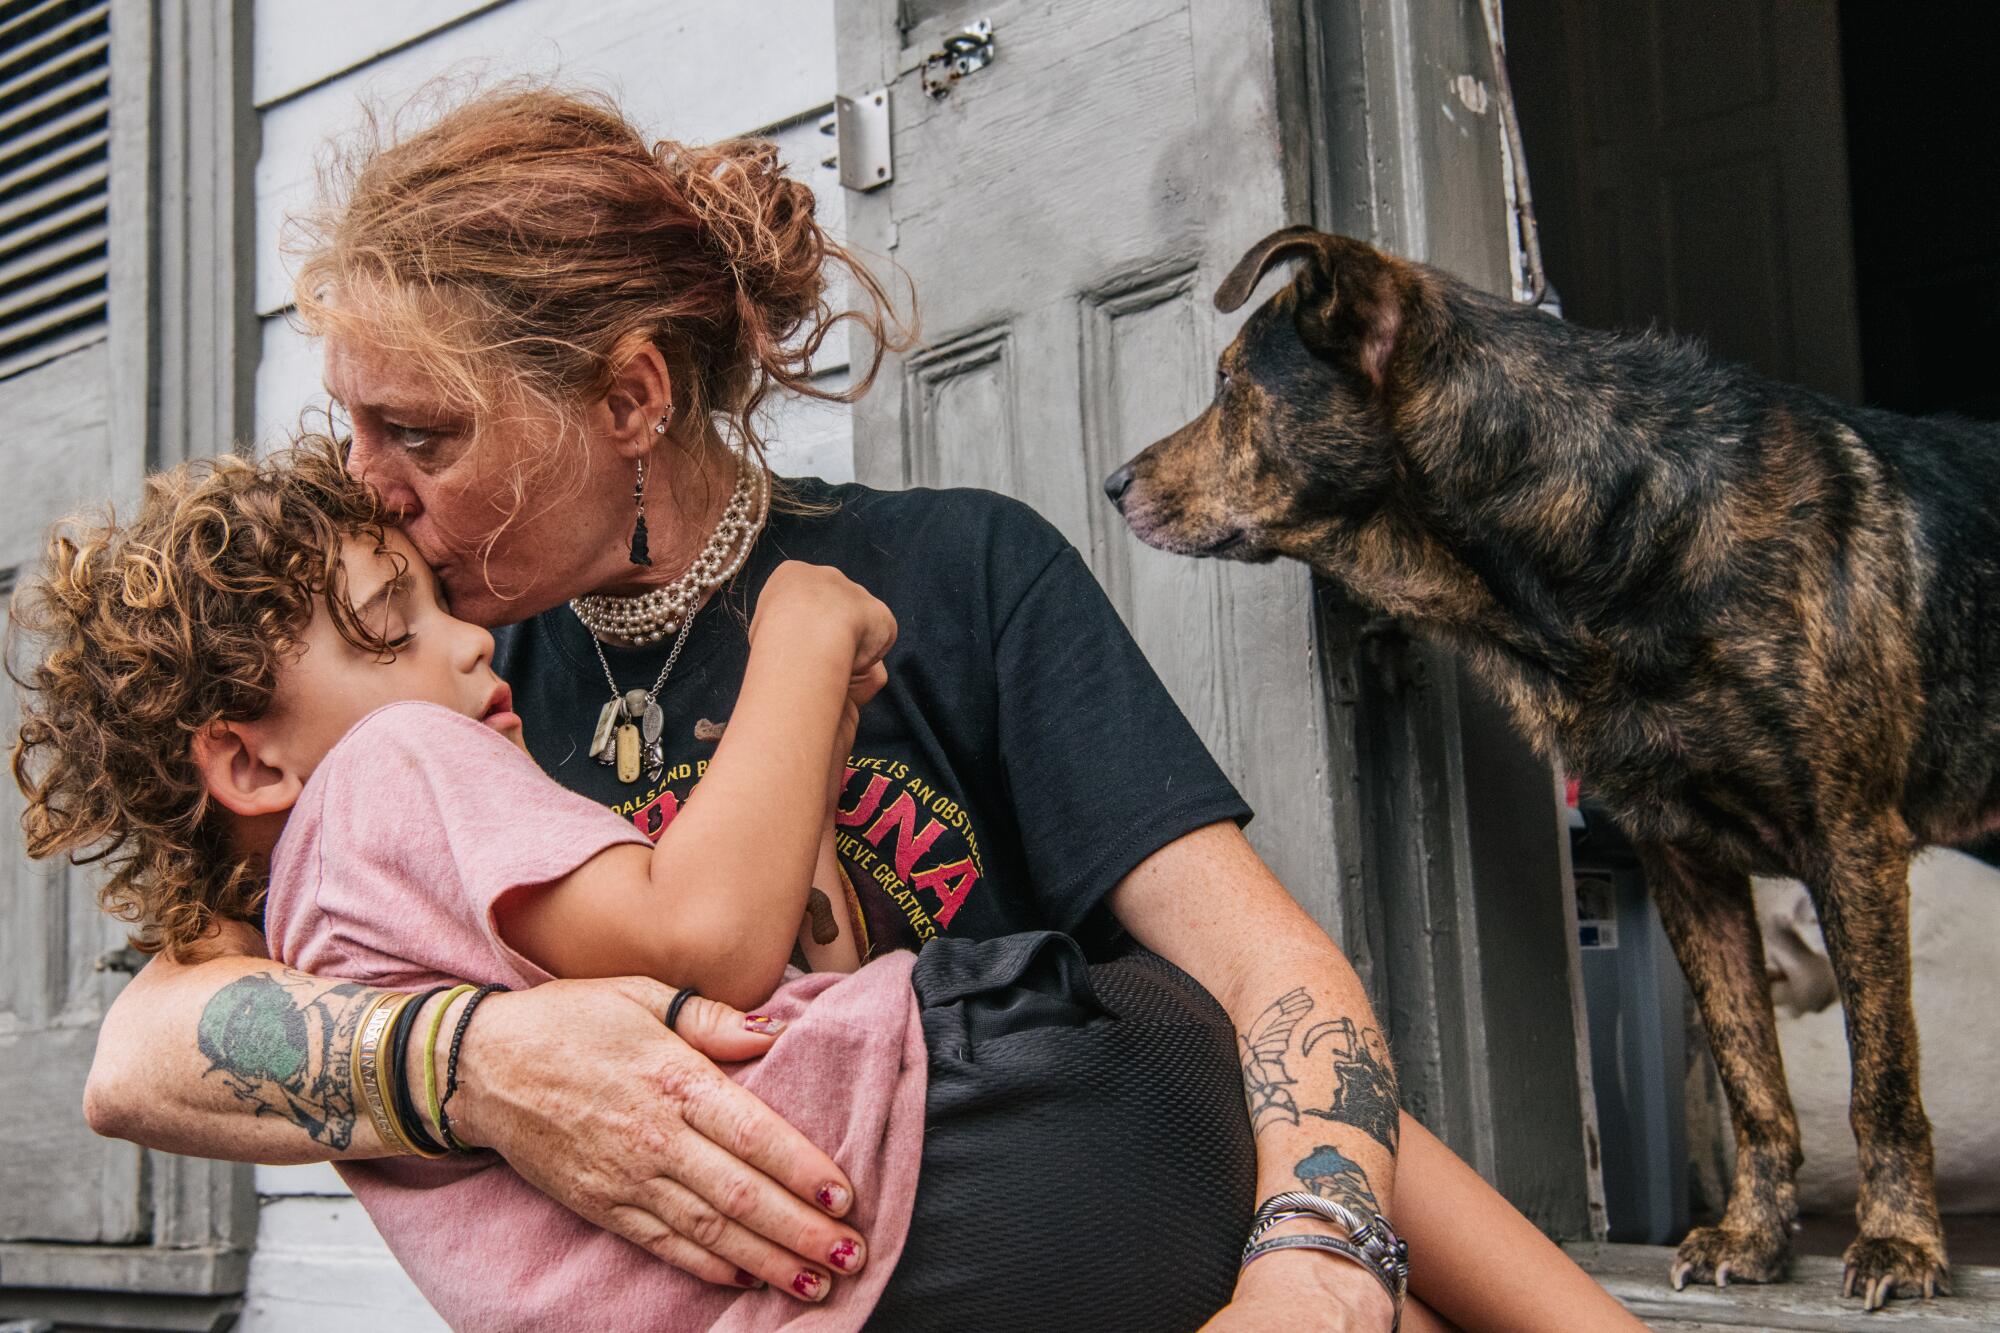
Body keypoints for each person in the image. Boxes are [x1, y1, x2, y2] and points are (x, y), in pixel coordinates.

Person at [63, 83, 1644, 1331]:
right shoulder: (424, 701)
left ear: (628, 398)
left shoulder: (952, 575)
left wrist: (1318, 1261)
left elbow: (1271, 984)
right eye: (348, 428)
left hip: (1080, 1215)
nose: (362, 483)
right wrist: (480, 1062)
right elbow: (141, 1051)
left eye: (417, 429)